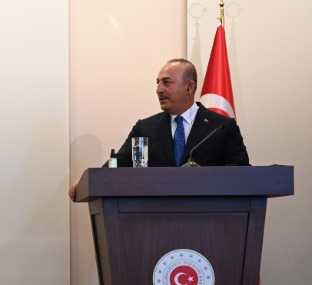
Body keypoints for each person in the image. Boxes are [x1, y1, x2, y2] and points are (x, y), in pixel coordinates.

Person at [68, 58, 249, 201]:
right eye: (158, 83)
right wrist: (89, 181)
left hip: (209, 218)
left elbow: (242, 175)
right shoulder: (145, 128)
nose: (158, 89)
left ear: (189, 87)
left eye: (166, 82)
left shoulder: (222, 127)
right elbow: (120, 163)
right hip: (156, 219)